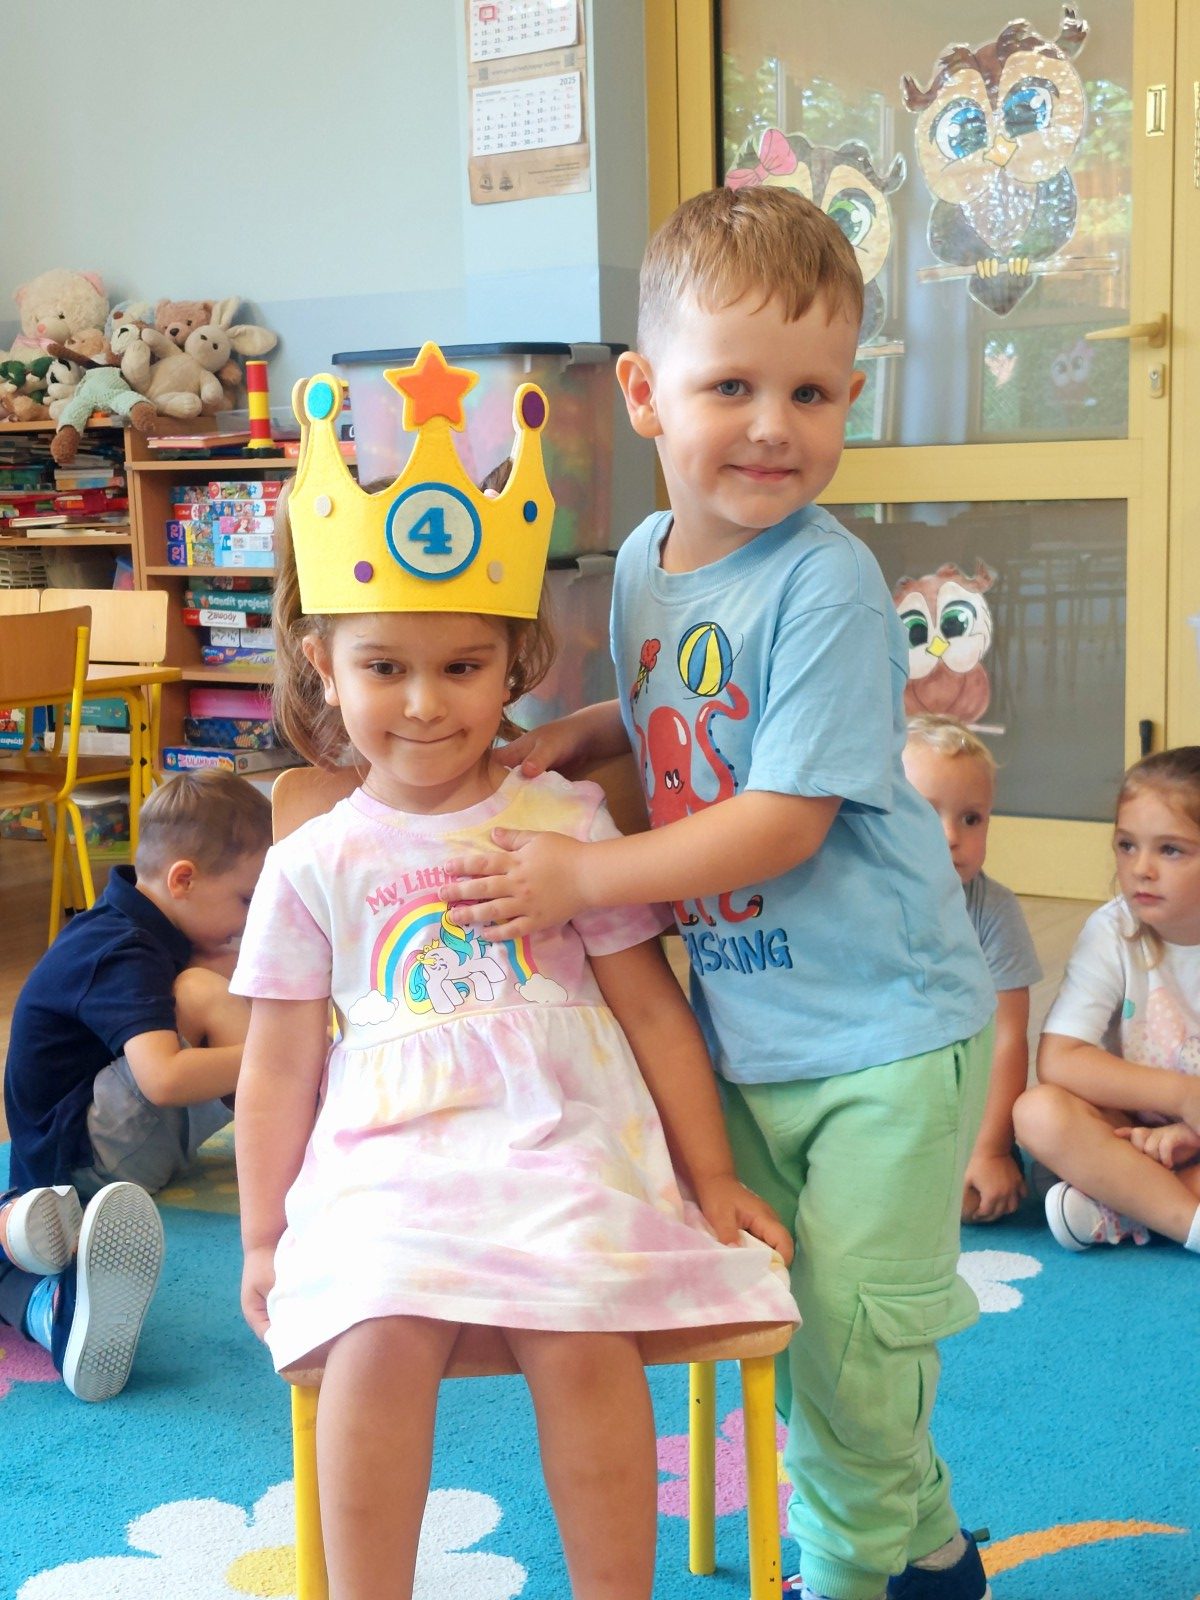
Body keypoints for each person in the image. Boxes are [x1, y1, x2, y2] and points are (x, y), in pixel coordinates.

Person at [442, 187, 997, 1600]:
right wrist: (582, 736)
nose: (772, 426)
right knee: (800, 1319)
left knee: (856, 1338)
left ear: (850, 399)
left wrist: (585, 875)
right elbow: (675, 719)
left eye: (810, 393)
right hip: (753, 1032)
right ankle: (930, 1552)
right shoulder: (643, 564)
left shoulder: (829, 585)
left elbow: (781, 821)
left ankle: (850, 1573)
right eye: (731, 386)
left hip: (883, 1036)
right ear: (644, 394)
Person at [232, 376, 798, 1600]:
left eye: (463, 665)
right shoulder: (313, 860)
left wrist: (707, 1175)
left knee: (582, 1326)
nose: (425, 702)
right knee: (375, 1335)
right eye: (384, 666)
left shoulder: (567, 822)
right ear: (324, 666)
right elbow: (276, 1065)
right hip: (388, 1164)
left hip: (560, 1145)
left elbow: (650, 1009)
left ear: (514, 667)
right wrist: (265, 1232)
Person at [0, 767, 271, 1399]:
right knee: (202, 989)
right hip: (82, 1158)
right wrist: (281, 1059)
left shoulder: (142, 926)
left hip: (81, 1166)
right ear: (183, 879)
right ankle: (26, 1227)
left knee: (220, 975)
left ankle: (49, 1290)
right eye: (245, 900)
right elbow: (163, 1079)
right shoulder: (122, 949)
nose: (249, 917)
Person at [1014, 746, 1200, 1254]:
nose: (1141, 868)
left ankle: (1120, 1206)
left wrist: (1191, 1133)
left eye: (1171, 850)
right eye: (1126, 845)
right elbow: (1059, 1059)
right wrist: (1183, 1098)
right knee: (1038, 1113)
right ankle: (1184, 1218)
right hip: (1130, 1132)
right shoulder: (1113, 930)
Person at [902, 714, 1041, 1223]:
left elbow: (1008, 1036)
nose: (950, 835)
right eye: (924, 812)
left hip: (957, 1102)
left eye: (971, 818)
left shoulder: (992, 909)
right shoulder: (859, 901)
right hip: (879, 1095)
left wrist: (991, 1149)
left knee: (968, 1200)